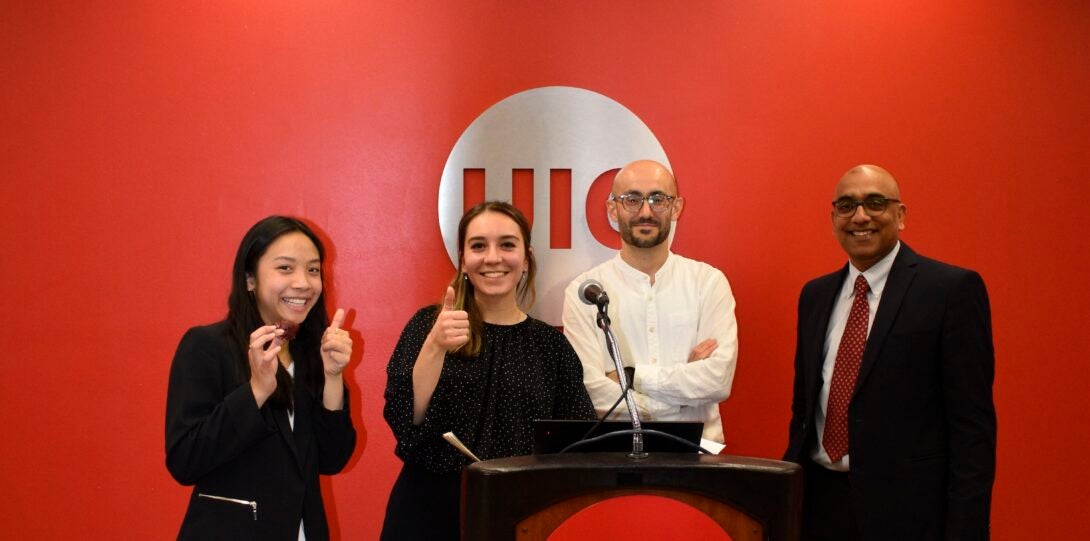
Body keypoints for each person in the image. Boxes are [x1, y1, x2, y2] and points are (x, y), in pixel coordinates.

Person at [783, 165, 997, 540]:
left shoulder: (950, 291)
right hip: (818, 507)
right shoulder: (815, 296)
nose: (860, 216)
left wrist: (967, 530)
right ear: (833, 218)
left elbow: (972, 430)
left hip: (909, 516)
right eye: (847, 205)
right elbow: (805, 410)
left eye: (875, 203)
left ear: (901, 215)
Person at [380, 201, 596, 540]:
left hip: (520, 512)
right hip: (430, 512)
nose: (492, 257)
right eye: (478, 246)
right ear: (463, 259)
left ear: (526, 259)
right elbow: (406, 420)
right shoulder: (429, 325)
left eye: (507, 245)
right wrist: (435, 347)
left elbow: (575, 442)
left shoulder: (552, 347)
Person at [165, 216, 356, 540]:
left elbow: (332, 459)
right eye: (285, 268)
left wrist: (334, 378)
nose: (303, 283)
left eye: (312, 269)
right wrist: (256, 390)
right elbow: (184, 460)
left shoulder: (313, 352)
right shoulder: (208, 346)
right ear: (250, 279)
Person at [562, 159, 739, 443]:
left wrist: (631, 377)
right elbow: (589, 390)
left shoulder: (708, 283)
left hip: (700, 452)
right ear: (612, 209)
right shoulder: (585, 291)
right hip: (614, 452)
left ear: (676, 207)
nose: (646, 211)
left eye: (658, 199)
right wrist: (678, 404)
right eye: (632, 199)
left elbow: (717, 380)